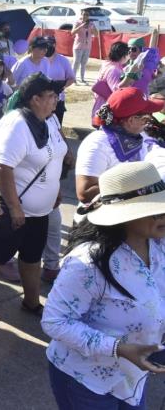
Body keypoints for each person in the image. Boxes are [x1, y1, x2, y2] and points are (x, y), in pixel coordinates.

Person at [43, 161, 165, 410]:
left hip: (133, 376)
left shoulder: (158, 245)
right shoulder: (87, 262)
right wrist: (118, 348)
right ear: (125, 214)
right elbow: (55, 321)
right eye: (156, 209)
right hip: (86, 380)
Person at [0, 73, 68, 321]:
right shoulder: (16, 124)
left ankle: (31, 301)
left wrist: (55, 190)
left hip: (40, 210)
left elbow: (55, 157)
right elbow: (2, 166)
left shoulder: (50, 120)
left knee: (32, 256)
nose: (56, 101)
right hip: (12, 206)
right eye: (51, 96)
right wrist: (14, 208)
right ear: (34, 99)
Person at [76, 87, 163, 206]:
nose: (150, 121)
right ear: (131, 120)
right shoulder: (97, 143)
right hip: (102, 219)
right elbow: (85, 193)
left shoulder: (138, 135)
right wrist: (139, 183)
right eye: (147, 117)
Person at [91, 41, 139, 121]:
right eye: (128, 53)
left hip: (102, 105)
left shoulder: (108, 64)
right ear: (123, 55)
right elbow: (117, 91)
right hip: (106, 109)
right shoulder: (114, 70)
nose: (129, 56)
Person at [44, 36, 76, 124]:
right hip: (43, 99)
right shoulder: (40, 59)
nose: (47, 47)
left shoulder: (63, 60)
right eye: (45, 45)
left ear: (54, 45)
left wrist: (62, 87)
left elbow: (72, 78)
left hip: (58, 99)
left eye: (50, 44)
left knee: (57, 125)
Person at [127, 31, 160, 97]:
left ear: (141, 51)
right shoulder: (125, 67)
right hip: (130, 100)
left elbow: (152, 49)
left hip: (144, 100)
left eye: (133, 49)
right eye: (128, 49)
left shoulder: (148, 65)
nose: (130, 51)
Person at [71, 10, 100, 85]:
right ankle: (73, 78)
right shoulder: (77, 22)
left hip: (87, 46)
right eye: (84, 14)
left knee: (83, 63)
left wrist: (93, 28)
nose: (85, 16)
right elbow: (72, 32)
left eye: (87, 15)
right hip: (78, 46)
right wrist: (81, 26)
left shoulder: (91, 23)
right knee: (76, 63)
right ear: (81, 15)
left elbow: (96, 34)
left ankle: (82, 78)